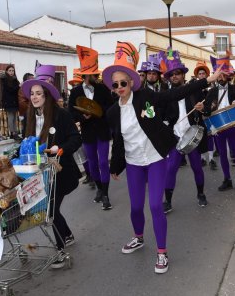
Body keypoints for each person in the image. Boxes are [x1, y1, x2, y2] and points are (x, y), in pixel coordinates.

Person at [104, 42, 223, 274]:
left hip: (155, 158)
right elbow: (118, 142)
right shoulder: (112, 112)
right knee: (136, 207)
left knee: (156, 205)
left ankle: (162, 252)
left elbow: (175, 93)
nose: (119, 87)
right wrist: (115, 167)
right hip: (134, 163)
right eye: (115, 84)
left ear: (131, 82)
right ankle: (138, 237)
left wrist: (206, 81)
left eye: (123, 83)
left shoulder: (145, 97)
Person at [22, 64, 82, 268]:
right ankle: (67, 234)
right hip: (40, 174)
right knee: (52, 209)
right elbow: (26, 143)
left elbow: (76, 139)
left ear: (46, 95)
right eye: (32, 93)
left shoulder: (61, 115)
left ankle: (60, 250)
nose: (35, 97)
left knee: (51, 210)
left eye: (39, 93)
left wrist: (60, 149)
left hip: (60, 171)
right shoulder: (29, 118)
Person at [68, 46, 114, 210]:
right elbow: (71, 112)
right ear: (87, 75)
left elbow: (110, 108)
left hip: (102, 131)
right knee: (93, 163)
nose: (97, 76)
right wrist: (82, 117)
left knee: (103, 162)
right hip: (87, 133)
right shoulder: (75, 92)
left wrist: (98, 113)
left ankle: (106, 194)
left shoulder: (103, 89)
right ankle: (100, 189)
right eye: (94, 74)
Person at [162, 53, 208, 213]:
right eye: (172, 74)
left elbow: (207, 109)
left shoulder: (194, 91)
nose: (175, 76)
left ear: (183, 75)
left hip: (191, 135)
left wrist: (203, 109)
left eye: (177, 73)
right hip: (174, 137)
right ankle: (167, 200)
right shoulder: (166, 95)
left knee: (197, 167)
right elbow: (160, 115)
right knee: (171, 168)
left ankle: (201, 193)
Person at [202, 56, 235, 192]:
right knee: (222, 153)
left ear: (227, 75)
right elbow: (208, 110)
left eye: (223, 74)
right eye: (218, 74)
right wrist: (203, 108)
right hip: (219, 128)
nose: (220, 76)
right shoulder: (211, 92)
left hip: (234, 126)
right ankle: (227, 179)